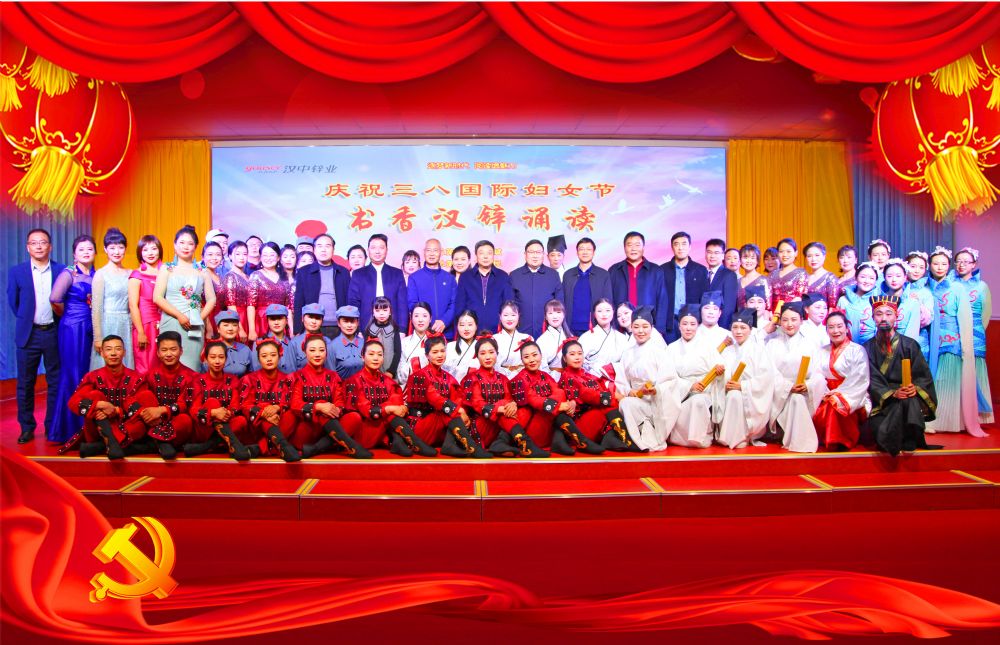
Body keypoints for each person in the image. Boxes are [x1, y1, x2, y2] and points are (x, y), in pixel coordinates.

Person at [8, 228, 65, 444]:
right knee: (25, 383)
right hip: (28, 334)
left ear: (50, 246)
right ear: (27, 247)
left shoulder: (61, 270)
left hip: (53, 332)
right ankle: (26, 427)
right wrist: (27, 320)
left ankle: (52, 426)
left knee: (55, 381)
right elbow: (14, 302)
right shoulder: (17, 272)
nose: (39, 246)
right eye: (34, 243)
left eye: (43, 242)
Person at [865, 296, 939, 455]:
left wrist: (915, 388)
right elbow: (871, 379)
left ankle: (910, 437)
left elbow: (923, 376)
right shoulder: (867, 348)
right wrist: (892, 393)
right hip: (882, 401)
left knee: (908, 400)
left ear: (896, 316)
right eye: (879, 314)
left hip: (907, 397)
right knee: (880, 431)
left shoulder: (909, 345)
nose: (883, 318)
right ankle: (905, 436)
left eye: (888, 314)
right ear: (872, 317)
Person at [926, 247, 985, 436]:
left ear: (948, 265)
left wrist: (965, 344)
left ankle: (948, 420)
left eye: (944, 264)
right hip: (930, 338)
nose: (940, 267)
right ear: (929, 265)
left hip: (952, 338)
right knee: (932, 379)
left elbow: (965, 316)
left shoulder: (957, 287)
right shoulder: (925, 287)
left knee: (948, 379)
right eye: (936, 263)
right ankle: (929, 418)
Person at [343, 338, 436, 456]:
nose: (376, 358)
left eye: (379, 354)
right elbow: (367, 410)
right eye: (371, 354)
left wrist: (394, 408)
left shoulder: (388, 381)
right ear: (362, 356)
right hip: (364, 433)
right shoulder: (354, 381)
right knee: (390, 412)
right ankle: (414, 443)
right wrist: (388, 408)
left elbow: (397, 403)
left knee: (394, 413)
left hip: (383, 430)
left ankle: (408, 443)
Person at [510, 340, 603, 455]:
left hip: (550, 429)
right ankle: (580, 441)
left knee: (560, 398)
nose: (532, 360)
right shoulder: (519, 380)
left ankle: (563, 441)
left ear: (541, 356)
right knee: (549, 409)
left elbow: (558, 392)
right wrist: (558, 406)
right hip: (534, 432)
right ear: (522, 359)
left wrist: (566, 404)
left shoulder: (546, 376)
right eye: (526, 357)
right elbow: (533, 399)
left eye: (535, 355)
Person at [288, 334, 372, 459]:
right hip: (307, 431)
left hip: (329, 431)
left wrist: (336, 409)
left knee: (354, 417)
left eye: (321, 350)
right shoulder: (297, 376)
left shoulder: (333, 376)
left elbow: (340, 402)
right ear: (304, 352)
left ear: (326, 353)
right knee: (322, 405)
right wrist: (318, 407)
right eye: (312, 350)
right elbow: (295, 405)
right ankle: (351, 446)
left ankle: (315, 449)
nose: (317, 354)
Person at [404, 335, 490, 458]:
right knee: (446, 410)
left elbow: (457, 399)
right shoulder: (419, 376)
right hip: (421, 426)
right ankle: (471, 447)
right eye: (435, 352)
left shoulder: (448, 377)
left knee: (456, 412)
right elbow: (435, 398)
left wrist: (462, 412)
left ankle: (450, 444)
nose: (440, 355)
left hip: (440, 429)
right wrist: (459, 410)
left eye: (442, 351)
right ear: (427, 355)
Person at [461, 336, 546, 457]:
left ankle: (501, 443)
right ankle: (525, 444)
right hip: (482, 425)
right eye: (483, 353)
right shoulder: (472, 378)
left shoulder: (503, 378)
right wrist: (499, 408)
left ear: (497, 354)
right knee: (502, 405)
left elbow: (509, 399)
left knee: (524, 410)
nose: (488, 357)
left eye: (491, 352)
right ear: (476, 356)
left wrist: (513, 404)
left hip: (502, 426)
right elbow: (477, 403)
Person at [48, 234, 97, 443]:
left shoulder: (96, 275)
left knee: (87, 373)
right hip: (72, 328)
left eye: (89, 249)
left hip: (91, 326)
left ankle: (88, 427)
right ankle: (68, 429)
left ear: (95, 252)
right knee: (73, 373)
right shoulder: (69, 274)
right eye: (81, 249)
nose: (86, 252)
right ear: (74, 254)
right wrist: (69, 315)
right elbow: (54, 298)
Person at [64, 334, 145, 459]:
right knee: (95, 395)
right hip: (99, 430)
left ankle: (104, 446)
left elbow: (143, 408)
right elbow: (73, 402)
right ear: (102, 353)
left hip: (127, 428)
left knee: (140, 419)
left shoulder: (136, 377)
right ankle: (114, 442)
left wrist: (116, 411)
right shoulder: (92, 376)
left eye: (118, 349)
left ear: (124, 352)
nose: (113, 353)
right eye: (108, 349)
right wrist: (99, 405)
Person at [121, 331, 198, 459]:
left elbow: (184, 404)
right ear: (158, 353)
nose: (169, 354)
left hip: (175, 423)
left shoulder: (192, 377)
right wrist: (143, 412)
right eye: (164, 350)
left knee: (185, 420)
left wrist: (162, 411)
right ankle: (162, 443)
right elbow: (131, 399)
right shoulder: (150, 375)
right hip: (151, 421)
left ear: (181, 351)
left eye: (173, 349)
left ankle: (150, 446)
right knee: (145, 396)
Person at [615, 306, 679, 451]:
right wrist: (629, 391)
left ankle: (644, 440)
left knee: (627, 404)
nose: (640, 331)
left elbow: (670, 380)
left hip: (655, 401)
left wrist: (655, 390)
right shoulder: (627, 353)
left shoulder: (659, 352)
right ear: (631, 328)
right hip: (635, 398)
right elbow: (621, 380)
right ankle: (637, 442)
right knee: (625, 403)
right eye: (636, 327)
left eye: (645, 327)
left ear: (652, 328)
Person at [765, 302, 825, 453]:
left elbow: (818, 373)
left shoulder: (811, 344)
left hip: (803, 391)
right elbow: (769, 372)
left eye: (794, 319)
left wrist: (808, 385)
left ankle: (800, 441)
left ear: (801, 321)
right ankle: (800, 441)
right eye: (785, 320)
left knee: (798, 399)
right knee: (794, 399)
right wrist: (787, 386)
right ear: (780, 322)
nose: (789, 324)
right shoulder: (772, 344)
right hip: (779, 392)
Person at [155, 226, 216, 370]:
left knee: (192, 365)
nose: (186, 247)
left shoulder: (202, 270)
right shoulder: (166, 269)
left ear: (196, 246)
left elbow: (212, 299)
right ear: (175, 245)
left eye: (190, 243)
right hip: (171, 321)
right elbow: (157, 297)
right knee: (170, 363)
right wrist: (179, 316)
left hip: (194, 325)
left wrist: (199, 318)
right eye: (182, 243)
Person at [182, 339, 255, 460]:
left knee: (241, 420)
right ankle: (232, 445)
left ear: (226, 359)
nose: (217, 361)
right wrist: (213, 413)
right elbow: (193, 410)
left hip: (227, 422)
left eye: (221, 357)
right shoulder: (197, 381)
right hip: (204, 427)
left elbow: (236, 406)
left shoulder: (233, 380)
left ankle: (207, 446)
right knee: (212, 402)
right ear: (206, 359)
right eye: (213, 357)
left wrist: (225, 413)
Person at [557, 339, 635, 451]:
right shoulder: (567, 377)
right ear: (565, 358)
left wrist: (614, 396)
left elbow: (602, 389)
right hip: (579, 428)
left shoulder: (588, 375)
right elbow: (587, 395)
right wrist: (612, 396)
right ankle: (626, 440)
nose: (577, 357)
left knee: (610, 402)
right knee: (606, 403)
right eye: (572, 354)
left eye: (580, 353)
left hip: (597, 422)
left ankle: (610, 438)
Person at [812, 311, 869, 451]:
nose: (835, 331)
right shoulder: (821, 351)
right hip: (824, 391)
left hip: (851, 393)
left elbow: (859, 378)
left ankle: (840, 440)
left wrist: (837, 393)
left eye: (839, 326)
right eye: (831, 327)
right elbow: (816, 375)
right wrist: (824, 392)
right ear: (826, 330)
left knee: (835, 405)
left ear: (846, 328)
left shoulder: (857, 350)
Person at [717, 309, 774, 449]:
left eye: (743, 328)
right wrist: (723, 379)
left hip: (750, 394)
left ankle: (741, 436)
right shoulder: (728, 350)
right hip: (728, 390)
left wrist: (743, 386)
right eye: (735, 327)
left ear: (750, 329)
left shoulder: (759, 350)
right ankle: (728, 435)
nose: (738, 331)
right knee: (732, 395)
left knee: (735, 396)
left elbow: (766, 378)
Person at [666, 305, 720, 449]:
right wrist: (689, 386)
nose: (688, 328)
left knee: (698, 401)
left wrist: (719, 372)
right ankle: (678, 438)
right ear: (679, 326)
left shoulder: (708, 347)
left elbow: (719, 371)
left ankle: (698, 438)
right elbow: (668, 377)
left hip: (704, 390)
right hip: (679, 392)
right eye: (685, 324)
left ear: (698, 326)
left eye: (692, 324)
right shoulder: (671, 348)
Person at [239, 338, 298, 461]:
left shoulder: (287, 379)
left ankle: (260, 448)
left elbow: (289, 402)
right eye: (264, 356)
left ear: (279, 356)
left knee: (291, 415)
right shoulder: (249, 379)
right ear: (258, 359)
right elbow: (245, 405)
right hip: (257, 425)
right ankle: (282, 446)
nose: (269, 359)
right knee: (264, 408)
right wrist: (263, 413)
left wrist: (277, 407)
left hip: (279, 422)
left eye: (273, 355)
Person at [954, 247, 993, 424]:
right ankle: (959, 415)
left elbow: (986, 314)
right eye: (958, 261)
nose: (962, 265)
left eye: (966, 262)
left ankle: (979, 415)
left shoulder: (981, 286)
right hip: (954, 331)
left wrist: (974, 332)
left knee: (975, 370)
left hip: (975, 332)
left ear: (974, 264)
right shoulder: (950, 283)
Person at [609, 231, 670, 336]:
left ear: (643, 247)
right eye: (629, 245)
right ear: (624, 248)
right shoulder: (614, 270)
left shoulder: (656, 270)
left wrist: (660, 328)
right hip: (620, 329)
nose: (633, 249)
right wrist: (612, 326)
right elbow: (609, 300)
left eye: (637, 245)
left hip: (647, 327)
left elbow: (662, 300)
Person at [91, 228, 133, 370]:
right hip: (107, 323)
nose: (117, 252)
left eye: (120, 247)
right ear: (105, 249)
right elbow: (96, 308)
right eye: (112, 248)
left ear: (125, 249)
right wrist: (98, 337)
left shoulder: (130, 273)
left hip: (126, 323)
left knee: (125, 363)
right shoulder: (101, 274)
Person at [293, 233, 350, 339]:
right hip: (312, 324)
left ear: (333, 250)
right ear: (314, 250)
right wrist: (297, 329)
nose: (323, 250)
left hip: (338, 325)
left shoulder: (343, 272)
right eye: (319, 246)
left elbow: (348, 301)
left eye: (327, 246)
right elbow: (298, 302)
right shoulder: (304, 272)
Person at [347, 233, 408, 325]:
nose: (377, 251)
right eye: (373, 248)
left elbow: (402, 304)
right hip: (366, 326)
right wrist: (357, 328)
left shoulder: (397, 273)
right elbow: (353, 303)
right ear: (368, 250)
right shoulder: (358, 274)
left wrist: (402, 329)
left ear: (386, 250)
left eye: (381, 248)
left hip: (392, 326)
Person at [454, 240, 512, 334]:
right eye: (481, 253)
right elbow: (460, 306)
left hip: (498, 331)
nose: (485, 256)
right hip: (471, 331)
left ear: (493, 255)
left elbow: (508, 304)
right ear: (476, 255)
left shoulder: (503, 276)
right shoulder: (465, 277)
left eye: (489, 253)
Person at [510, 239, 564, 338]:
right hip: (520, 332)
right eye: (531, 252)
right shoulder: (515, 275)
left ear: (543, 255)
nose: (535, 256)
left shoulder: (553, 275)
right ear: (525, 254)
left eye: (538, 252)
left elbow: (559, 304)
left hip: (547, 333)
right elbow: (509, 305)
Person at [659, 231, 706, 341]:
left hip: (692, 321)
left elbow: (704, 298)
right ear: (672, 247)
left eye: (684, 244)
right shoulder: (662, 270)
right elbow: (659, 298)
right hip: (670, 321)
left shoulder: (700, 270)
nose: (680, 248)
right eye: (676, 244)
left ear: (690, 247)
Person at [563, 237, 613, 336]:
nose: (585, 252)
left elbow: (608, 302)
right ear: (577, 252)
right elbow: (563, 301)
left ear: (593, 252)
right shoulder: (568, 275)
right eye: (582, 249)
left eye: (589, 249)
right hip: (571, 328)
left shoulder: (603, 275)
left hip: (595, 328)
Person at [407, 238, 456, 334]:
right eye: (429, 250)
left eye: (435, 250)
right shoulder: (414, 278)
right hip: (423, 332)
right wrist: (425, 322)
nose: (432, 254)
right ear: (424, 252)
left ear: (441, 252)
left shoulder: (450, 278)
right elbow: (412, 304)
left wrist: (444, 321)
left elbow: (454, 303)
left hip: (446, 331)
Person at [129, 235, 162, 372]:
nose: (150, 253)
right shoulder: (136, 275)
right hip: (145, 325)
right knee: (146, 367)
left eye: (154, 248)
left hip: (164, 323)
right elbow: (133, 306)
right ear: (140, 253)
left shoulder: (166, 273)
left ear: (159, 250)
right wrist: (140, 332)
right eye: (145, 250)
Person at [247, 241, 292, 342]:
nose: (268, 258)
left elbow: (288, 306)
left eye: (272, 255)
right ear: (260, 257)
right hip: (262, 321)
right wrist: (252, 330)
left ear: (278, 257)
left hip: (281, 321)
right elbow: (251, 305)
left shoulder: (284, 277)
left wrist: (291, 328)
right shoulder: (256, 276)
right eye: (265, 255)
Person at [578, 298, 629, 378]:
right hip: (591, 380)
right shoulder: (586, 337)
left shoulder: (622, 338)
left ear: (613, 312)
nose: (604, 314)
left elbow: (626, 362)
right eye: (599, 311)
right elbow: (577, 361)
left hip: (616, 380)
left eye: (608, 310)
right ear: (594, 314)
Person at [905, 250, 937, 363]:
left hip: (919, 337)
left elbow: (928, 319)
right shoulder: (898, 287)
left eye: (921, 267)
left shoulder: (926, 292)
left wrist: (918, 305)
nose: (917, 270)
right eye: (913, 266)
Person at [837, 262, 879, 344]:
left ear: (876, 281)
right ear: (856, 277)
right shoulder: (843, 300)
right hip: (848, 346)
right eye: (863, 277)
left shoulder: (878, 301)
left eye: (871, 278)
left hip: (874, 347)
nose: (867, 281)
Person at [880, 258, 921, 341]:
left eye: (898, 276)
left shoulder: (912, 303)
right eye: (889, 276)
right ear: (884, 277)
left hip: (905, 346)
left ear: (905, 277)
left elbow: (912, 334)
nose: (894, 280)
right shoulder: (878, 301)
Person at [202, 311, 253, 376]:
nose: (230, 329)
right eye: (226, 325)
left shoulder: (245, 349)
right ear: (218, 329)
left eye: (234, 325)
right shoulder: (212, 348)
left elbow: (252, 374)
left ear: (238, 329)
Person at [363, 296, 403, 379]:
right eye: (377, 310)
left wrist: (391, 371)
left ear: (390, 312)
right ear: (373, 312)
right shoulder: (369, 329)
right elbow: (366, 352)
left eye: (385, 310)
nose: (381, 313)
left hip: (390, 371)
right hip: (372, 372)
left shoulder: (394, 329)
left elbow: (398, 352)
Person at [251, 304, 297, 374]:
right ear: (267, 321)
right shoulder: (259, 343)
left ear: (286, 321)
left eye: (280, 318)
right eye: (272, 319)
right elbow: (257, 370)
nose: (276, 323)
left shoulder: (293, 344)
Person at [289, 303, 336, 372]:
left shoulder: (327, 341)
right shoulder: (294, 343)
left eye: (317, 318)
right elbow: (291, 372)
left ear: (322, 321)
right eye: (310, 317)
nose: (314, 322)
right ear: (302, 318)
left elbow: (331, 370)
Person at [220, 240, 251, 343]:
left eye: (245, 254)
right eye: (237, 254)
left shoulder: (248, 277)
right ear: (230, 256)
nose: (242, 257)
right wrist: (239, 328)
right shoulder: (230, 276)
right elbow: (230, 305)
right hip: (238, 318)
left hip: (249, 317)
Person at [703, 238, 738, 328]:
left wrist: (722, 329)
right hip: (702, 326)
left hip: (720, 327)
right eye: (709, 252)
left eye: (716, 253)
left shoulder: (729, 275)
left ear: (723, 256)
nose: (712, 256)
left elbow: (729, 307)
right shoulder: (702, 273)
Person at [395, 302, 432, 387]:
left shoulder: (437, 342)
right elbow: (399, 375)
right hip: (408, 388)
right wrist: (413, 366)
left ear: (430, 318)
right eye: (416, 316)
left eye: (424, 316)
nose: (420, 320)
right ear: (411, 318)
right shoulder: (403, 343)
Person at [493, 300, 531, 379]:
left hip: (523, 378)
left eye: (513, 315)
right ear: (500, 317)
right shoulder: (493, 339)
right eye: (506, 315)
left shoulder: (527, 338)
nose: (509, 319)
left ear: (518, 316)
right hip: (500, 379)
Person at [768, 238, 808, 311]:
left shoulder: (801, 273)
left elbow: (800, 297)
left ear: (796, 253)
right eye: (781, 251)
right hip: (772, 314)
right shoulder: (773, 274)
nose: (785, 255)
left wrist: (785, 312)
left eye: (788, 251)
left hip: (792, 312)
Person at [536, 299, 572, 372]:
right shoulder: (542, 340)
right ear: (546, 317)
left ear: (564, 315)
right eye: (550, 313)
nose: (555, 316)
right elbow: (541, 366)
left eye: (558, 312)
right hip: (551, 376)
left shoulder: (570, 336)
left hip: (570, 376)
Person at [445, 310, 480, 381]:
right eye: (462, 325)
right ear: (457, 327)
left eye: (470, 325)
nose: (466, 329)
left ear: (476, 326)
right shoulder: (449, 347)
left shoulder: (482, 346)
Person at [330, 305, 364, 380]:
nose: (349, 325)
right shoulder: (332, 346)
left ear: (358, 323)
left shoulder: (364, 344)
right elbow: (331, 376)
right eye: (345, 321)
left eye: (352, 321)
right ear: (338, 323)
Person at [804, 241, 839, 309]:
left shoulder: (830, 278)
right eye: (809, 256)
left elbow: (832, 306)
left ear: (824, 256)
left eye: (817, 255)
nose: (813, 259)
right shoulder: (805, 278)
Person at [201, 241, 225, 339]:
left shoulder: (220, 277)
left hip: (220, 319)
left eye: (218, 255)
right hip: (206, 318)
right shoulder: (200, 275)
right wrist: (209, 327)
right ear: (203, 257)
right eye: (210, 254)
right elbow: (198, 303)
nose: (214, 258)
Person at [737, 243, 770, 310]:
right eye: (745, 257)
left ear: (757, 260)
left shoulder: (764, 281)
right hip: (739, 316)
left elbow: (768, 306)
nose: (749, 261)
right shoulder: (737, 282)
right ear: (740, 260)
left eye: (752, 258)